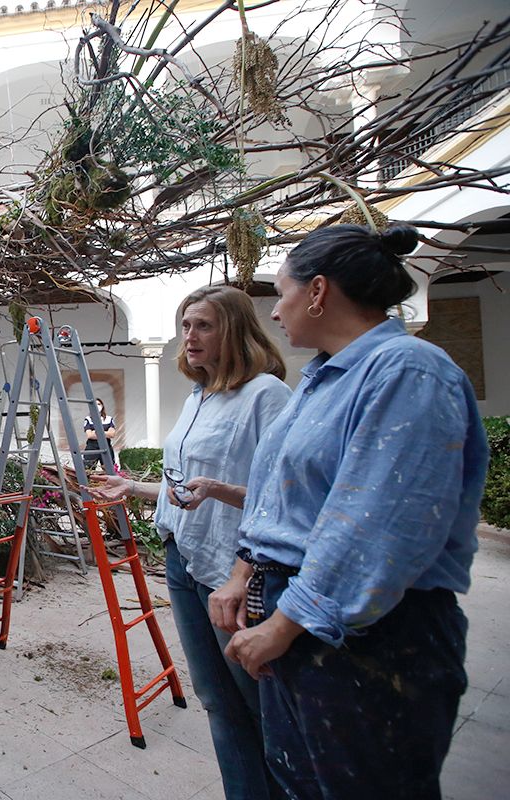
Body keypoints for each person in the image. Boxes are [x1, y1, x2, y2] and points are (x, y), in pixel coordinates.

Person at [213, 225, 488, 799]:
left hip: (367, 634)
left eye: (282, 292)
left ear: (317, 292)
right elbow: (279, 497)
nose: (277, 310)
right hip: (299, 615)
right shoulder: (322, 379)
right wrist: (247, 571)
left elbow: (375, 523)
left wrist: (285, 626)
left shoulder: (407, 370)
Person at [94, 285, 290, 800]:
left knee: (258, 700)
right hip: (184, 561)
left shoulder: (266, 396)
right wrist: (134, 487)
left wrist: (223, 492)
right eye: (185, 326)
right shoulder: (199, 395)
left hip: (237, 572)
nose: (189, 337)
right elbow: (187, 489)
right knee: (215, 699)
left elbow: (288, 498)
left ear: (236, 330)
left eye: (203, 325)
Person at [82, 398, 116, 472]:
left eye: (99, 404)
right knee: (88, 469)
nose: (97, 406)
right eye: (95, 404)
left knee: (109, 469)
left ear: (102, 405)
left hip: (106, 446)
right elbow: (90, 435)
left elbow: (112, 434)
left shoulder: (109, 419)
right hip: (92, 447)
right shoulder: (88, 419)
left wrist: (96, 432)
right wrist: (105, 432)